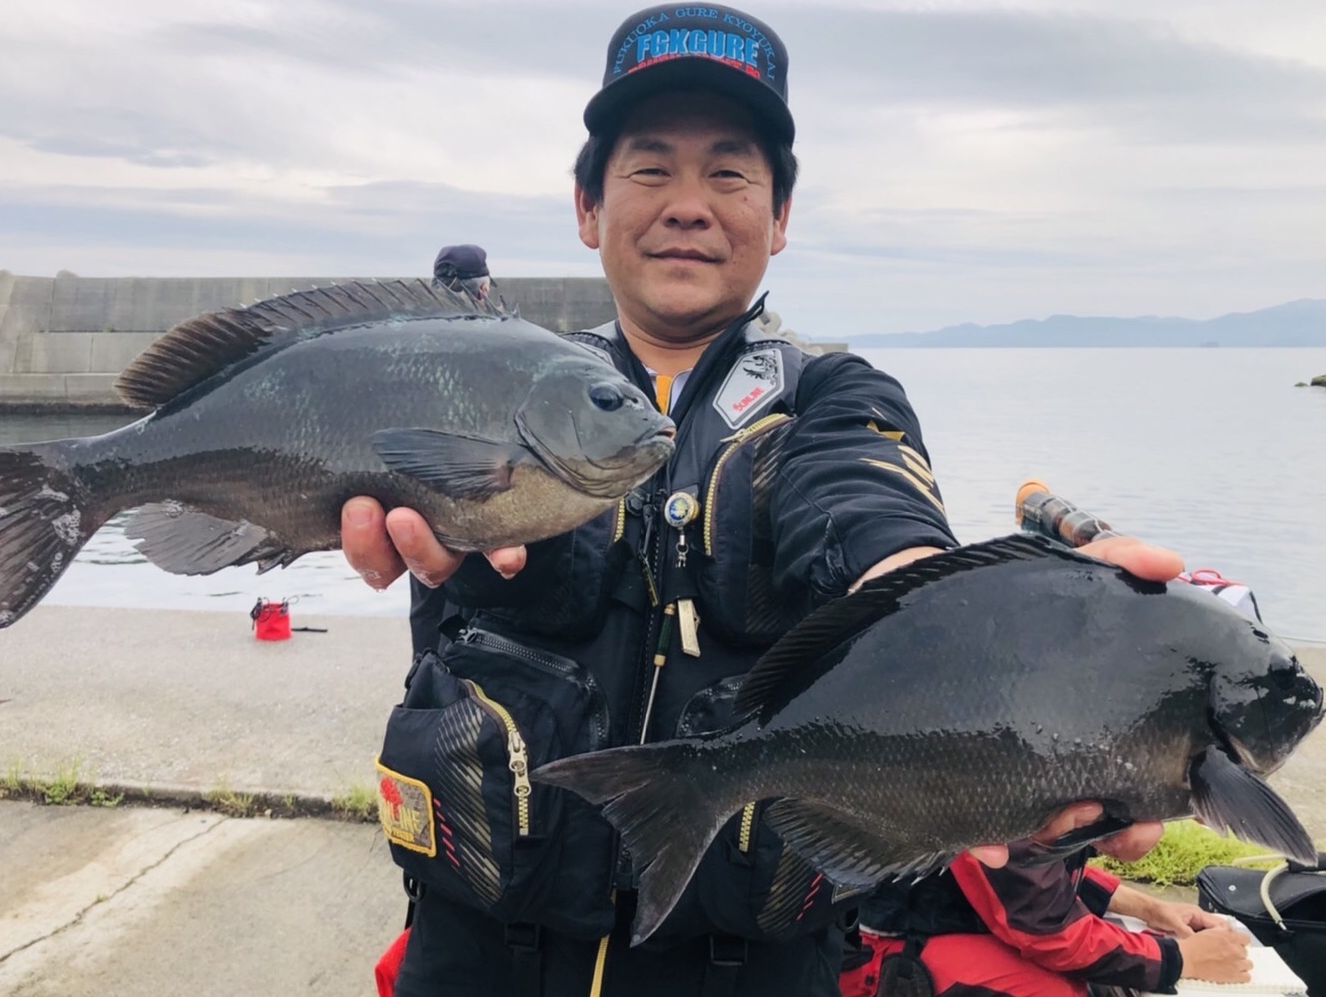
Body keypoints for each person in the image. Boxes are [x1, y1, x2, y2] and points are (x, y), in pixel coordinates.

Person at [344, 6, 1187, 995]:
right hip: (472, 954)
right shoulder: (486, 394)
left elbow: (872, 509)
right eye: (649, 169)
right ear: (587, 208)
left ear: (780, 218)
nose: (688, 206)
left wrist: (966, 623)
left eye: (730, 175)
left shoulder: (837, 397)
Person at [842, 803, 1252, 996]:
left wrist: (1151, 908)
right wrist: (1180, 960)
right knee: (1061, 991)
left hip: (955, 925)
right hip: (887, 953)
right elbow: (1048, 932)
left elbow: (1040, 874)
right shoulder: (1007, 791)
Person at [405, 244, 496, 662]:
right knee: (474, 606)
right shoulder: (495, 343)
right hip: (472, 497)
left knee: (426, 595)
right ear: (483, 289)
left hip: (417, 495)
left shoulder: (413, 340)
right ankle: (462, 681)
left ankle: (422, 679)